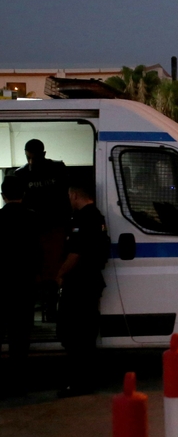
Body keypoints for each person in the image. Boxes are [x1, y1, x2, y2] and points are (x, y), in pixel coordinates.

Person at [56, 184, 110, 397]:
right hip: (91, 282)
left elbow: (75, 253)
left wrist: (60, 273)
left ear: (74, 194)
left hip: (79, 284)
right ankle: (85, 382)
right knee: (86, 336)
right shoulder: (97, 216)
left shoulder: (83, 218)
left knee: (76, 336)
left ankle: (78, 383)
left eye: (69, 195)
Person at [15, 139, 71, 322]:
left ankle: (49, 308)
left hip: (54, 227)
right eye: (28, 157)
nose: (31, 162)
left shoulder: (56, 169)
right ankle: (41, 310)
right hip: (35, 229)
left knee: (51, 271)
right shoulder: (22, 174)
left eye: (34, 157)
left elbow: (66, 197)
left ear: (43, 154)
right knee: (36, 270)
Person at [0, 176, 42, 397]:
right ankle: (19, 383)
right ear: (24, 195)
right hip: (24, 285)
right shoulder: (33, 218)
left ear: (3, 195)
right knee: (20, 336)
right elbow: (38, 252)